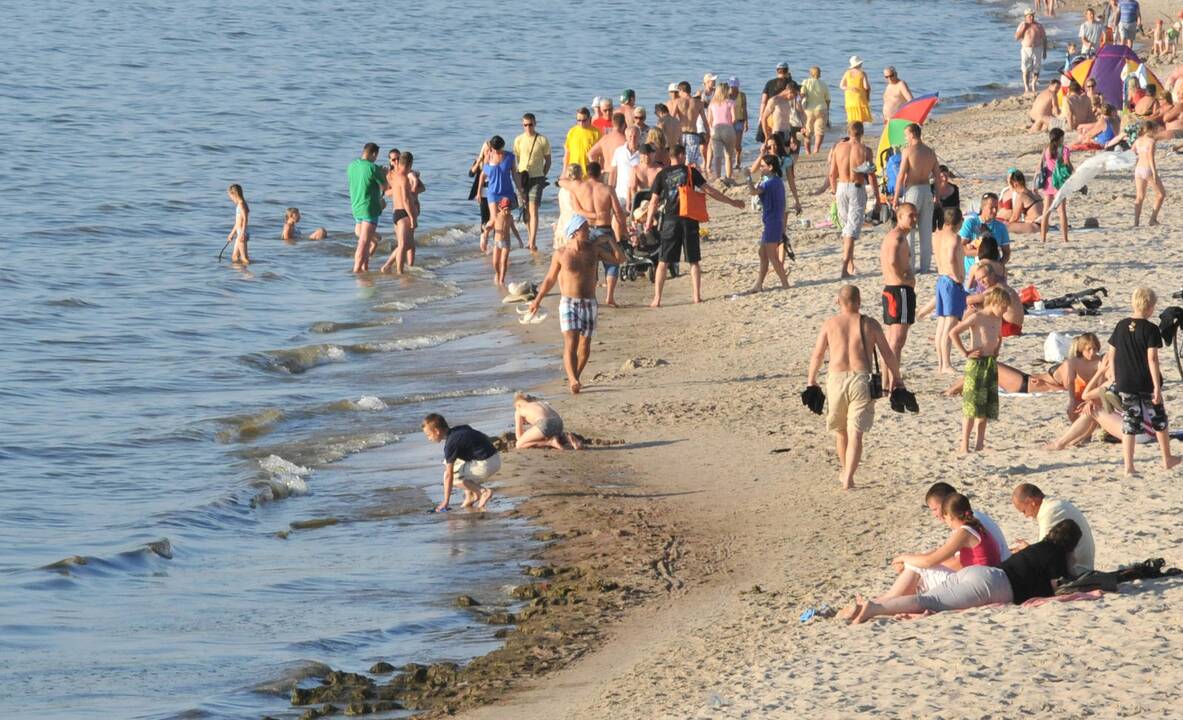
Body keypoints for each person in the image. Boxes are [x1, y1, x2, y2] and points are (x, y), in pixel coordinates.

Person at [846, 519, 1083, 623]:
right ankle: (875, 608)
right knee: (928, 601)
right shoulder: (1057, 557)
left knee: (929, 598)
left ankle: (870, 605)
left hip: (980, 573)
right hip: (995, 587)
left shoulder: (1039, 547)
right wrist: (1070, 564)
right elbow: (1059, 589)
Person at [839, 492, 1000, 618]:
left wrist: (904, 557)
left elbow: (931, 560)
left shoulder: (964, 532)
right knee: (918, 568)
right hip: (980, 581)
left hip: (975, 585)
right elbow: (942, 556)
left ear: (949, 516)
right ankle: (882, 601)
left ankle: (879, 603)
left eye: (944, 518)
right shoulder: (976, 528)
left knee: (916, 567)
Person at [806, 285, 904, 489]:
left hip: (836, 379)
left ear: (837, 302)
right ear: (859, 301)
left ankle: (845, 472)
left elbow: (817, 355)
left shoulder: (830, 324)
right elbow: (888, 354)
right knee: (856, 432)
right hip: (862, 379)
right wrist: (897, 378)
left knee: (840, 431)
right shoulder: (870, 324)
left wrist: (811, 380)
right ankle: (848, 477)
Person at [527, 215, 625, 393]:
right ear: (575, 232)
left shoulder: (594, 250)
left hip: (589, 302)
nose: (589, 232)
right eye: (586, 229)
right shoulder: (561, 254)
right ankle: (572, 379)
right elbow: (549, 279)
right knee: (570, 343)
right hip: (568, 303)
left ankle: (575, 378)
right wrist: (537, 300)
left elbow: (619, 259)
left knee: (585, 345)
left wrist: (611, 240)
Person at [643, 144, 745, 307]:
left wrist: (648, 222)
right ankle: (696, 296)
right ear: (682, 155)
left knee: (663, 261)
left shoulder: (662, 174)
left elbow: (654, 201)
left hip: (670, 221)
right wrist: (732, 202)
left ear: (671, 157)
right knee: (693, 260)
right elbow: (710, 191)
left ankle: (657, 299)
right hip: (689, 219)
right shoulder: (690, 171)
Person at [1108, 287, 1180, 474]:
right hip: (1145, 381)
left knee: (1130, 423)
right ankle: (1167, 458)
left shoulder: (1121, 325)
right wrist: (1157, 386)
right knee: (1159, 419)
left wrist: (1113, 375)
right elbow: (1152, 359)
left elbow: (1111, 353)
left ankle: (1129, 466)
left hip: (1125, 381)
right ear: (1151, 307)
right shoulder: (1151, 329)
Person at [950, 286, 1010, 454]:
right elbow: (954, 332)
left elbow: (998, 337)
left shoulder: (997, 319)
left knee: (984, 406)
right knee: (971, 405)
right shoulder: (977, 317)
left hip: (990, 363)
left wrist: (997, 348)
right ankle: (964, 444)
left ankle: (979, 443)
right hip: (976, 364)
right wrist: (965, 352)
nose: (1005, 311)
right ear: (995, 302)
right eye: (1003, 307)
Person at [565, 161, 627, 307]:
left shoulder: (578, 189)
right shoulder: (608, 189)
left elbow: (577, 209)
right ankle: (610, 297)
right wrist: (623, 230)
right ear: (600, 174)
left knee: (589, 264)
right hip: (604, 229)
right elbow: (618, 212)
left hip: (585, 231)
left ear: (587, 173)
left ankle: (590, 295)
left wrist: (590, 214)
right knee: (612, 263)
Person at [828, 122, 877, 278]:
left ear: (848, 132)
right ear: (862, 132)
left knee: (847, 228)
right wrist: (876, 195)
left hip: (841, 187)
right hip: (856, 187)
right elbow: (871, 174)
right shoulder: (865, 150)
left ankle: (850, 264)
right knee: (851, 229)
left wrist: (834, 191)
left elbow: (831, 174)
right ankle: (844, 268)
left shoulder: (838, 148)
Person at [1011, 484, 1095, 574]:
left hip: (1077, 571)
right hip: (1079, 565)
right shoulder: (1052, 504)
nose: (1026, 516)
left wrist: (1026, 550)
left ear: (1031, 502)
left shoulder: (1050, 512)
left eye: (1024, 511)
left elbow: (1044, 557)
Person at [891, 123, 941, 274]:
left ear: (913, 134)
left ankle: (911, 266)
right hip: (927, 190)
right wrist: (937, 196)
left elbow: (901, 176)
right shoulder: (930, 152)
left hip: (913, 190)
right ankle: (925, 267)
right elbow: (937, 177)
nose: (906, 137)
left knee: (909, 229)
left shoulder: (908, 151)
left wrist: (895, 198)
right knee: (926, 230)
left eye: (906, 134)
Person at [422, 413, 497, 512]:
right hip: (495, 457)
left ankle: (483, 492)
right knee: (451, 461)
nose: (428, 438)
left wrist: (445, 501)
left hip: (486, 465)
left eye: (428, 435)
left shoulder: (450, 444)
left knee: (449, 476)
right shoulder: (461, 429)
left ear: (436, 431)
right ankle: (470, 496)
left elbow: (449, 475)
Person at [925, 482, 1011, 560]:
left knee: (925, 568)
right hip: (1002, 565)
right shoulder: (971, 516)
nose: (934, 515)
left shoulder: (966, 524)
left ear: (947, 504)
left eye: (935, 509)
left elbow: (959, 563)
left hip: (998, 569)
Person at [743, 154, 791, 293]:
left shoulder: (769, 183)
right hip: (773, 221)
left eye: (763, 166)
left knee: (772, 256)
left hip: (772, 222)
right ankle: (759, 284)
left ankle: (785, 284)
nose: (760, 168)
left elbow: (753, 192)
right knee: (762, 253)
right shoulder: (777, 181)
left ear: (770, 167)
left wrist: (747, 177)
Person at [483, 136, 523, 286]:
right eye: (495, 149)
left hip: (506, 192)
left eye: (498, 149)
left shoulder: (510, 157)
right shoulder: (489, 156)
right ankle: (486, 235)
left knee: (506, 219)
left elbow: (515, 175)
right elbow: (484, 174)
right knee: (494, 219)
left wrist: (520, 191)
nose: (497, 152)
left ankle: (502, 242)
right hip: (493, 192)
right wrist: (477, 193)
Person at [880, 202, 917, 361]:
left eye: (916, 215)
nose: (914, 219)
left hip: (892, 289)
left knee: (891, 340)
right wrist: (904, 280)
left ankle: (888, 382)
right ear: (899, 217)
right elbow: (892, 260)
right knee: (897, 340)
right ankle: (893, 382)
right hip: (899, 291)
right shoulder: (898, 237)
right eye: (911, 215)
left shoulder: (896, 236)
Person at [934, 206, 967, 374]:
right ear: (959, 222)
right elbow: (951, 258)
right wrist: (957, 276)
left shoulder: (937, 235)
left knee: (941, 323)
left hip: (941, 279)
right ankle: (946, 364)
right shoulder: (954, 238)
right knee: (949, 323)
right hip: (951, 281)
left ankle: (941, 363)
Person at [513, 113, 553, 252]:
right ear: (522, 125)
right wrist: (518, 176)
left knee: (533, 208)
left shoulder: (542, 140)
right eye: (525, 125)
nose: (528, 127)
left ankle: (533, 242)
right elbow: (517, 160)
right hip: (522, 179)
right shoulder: (518, 140)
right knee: (525, 211)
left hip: (537, 177)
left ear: (535, 123)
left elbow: (548, 160)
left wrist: (543, 174)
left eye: (530, 124)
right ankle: (530, 238)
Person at [347, 143, 386, 273]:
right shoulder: (373, 168)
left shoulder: (352, 166)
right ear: (374, 154)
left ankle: (365, 267)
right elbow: (385, 187)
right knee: (363, 242)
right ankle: (356, 269)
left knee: (365, 239)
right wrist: (383, 173)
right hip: (369, 208)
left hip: (356, 206)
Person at [380, 152, 418, 274]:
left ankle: (393, 266)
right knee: (403, 245)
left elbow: (388, 192)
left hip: (396, 212)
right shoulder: (403, 179)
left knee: (410, 244)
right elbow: (406, 200)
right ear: (410, 164)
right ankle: (398, 271)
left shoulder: (394, 176)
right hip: (403, 213)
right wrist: (412, 217)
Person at [1038, 128, 1073, 243]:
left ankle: (1043, 239)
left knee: (1046, 212)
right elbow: (1067, 164)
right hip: (1059, 183)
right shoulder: (1064, 150)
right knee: (1062, 212)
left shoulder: (1046, 149)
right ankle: (1065, 239)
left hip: (1048, 183)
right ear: (1060, 138)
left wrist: (1035, 181)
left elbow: (1040, 165)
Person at [512, 392, 583, 450]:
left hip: (545, 423)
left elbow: (519, 437)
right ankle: (567, 438)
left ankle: (550, 442)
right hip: (558, 422)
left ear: (518, 405)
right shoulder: (539, 403)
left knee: (519, 444)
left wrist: (525, 435)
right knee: (546, 433)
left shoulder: (519, 410)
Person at [959, 193, 1012, 265]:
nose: (994, 211)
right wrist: (985, 253)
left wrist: (999, 265)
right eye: (991, 207)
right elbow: (961, 248)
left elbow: (1006, 252)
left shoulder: (1001, 227)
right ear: (983, 207)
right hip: (971, 271)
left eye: (996, 208)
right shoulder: (970, 223)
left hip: (992, 272)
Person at [1134, 120, 1167, 226]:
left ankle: (1136, 222)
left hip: (1138, 169)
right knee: (1160, 194)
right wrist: (1154, 172)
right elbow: (1150, 157)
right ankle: (1153, 219)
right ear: (1152, 130)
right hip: (1147, 168)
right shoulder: (1151, 142)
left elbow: (1132, 152)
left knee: (1139, 197)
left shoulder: (1138, 140)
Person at [670, 81, 709, 167]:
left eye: (678, 91)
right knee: (692, 163)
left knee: (679, 160)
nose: (678, 93)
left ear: (681, 90)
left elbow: (672, 119)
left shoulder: (677, 102)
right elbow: (705, 121)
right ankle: (691, 179)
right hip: (693, 135)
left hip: (680, 134)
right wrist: (708, 134)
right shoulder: (699, 103)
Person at [707, 84, 737, 181]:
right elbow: (734, 118)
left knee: (717, 156)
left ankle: (718, 177)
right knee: (728, 155)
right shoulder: (731, 102)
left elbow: (709, 121)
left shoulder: (712, 104)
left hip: (715, 129)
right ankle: (728, 177)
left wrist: (711, 130)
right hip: (727, 128)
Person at [1000, 169, 1044, 234]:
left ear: (1015, 184)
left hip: (1034, 225)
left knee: (1004, 227)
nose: (1009, 186)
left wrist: (1007, 222)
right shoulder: (1034, 193)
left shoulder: (1021, 196)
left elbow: (1015, 218)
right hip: (1044, 224)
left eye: (1010, 183)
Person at [1016, 9, 1049, 95]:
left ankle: (1033, 84)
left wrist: (1045, 51)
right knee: (1025, 69)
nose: (1031, 17)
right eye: (1029, 16)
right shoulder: (1022, 25)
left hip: (1037, 48)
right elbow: (1016, 37)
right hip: (1026, 49)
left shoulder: (1038, 25)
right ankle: (1026, 87)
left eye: (1032, 15)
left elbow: (1044, 39)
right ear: (1026, 17)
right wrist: (1023, 28)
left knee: (1036, 69)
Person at [800, 66, 831, 154]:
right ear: (820, 74)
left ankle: (807, 151)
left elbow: (802, 94)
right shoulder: (823, 84)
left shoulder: (806, 82)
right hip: (821, 109)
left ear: (810, 73)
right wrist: (827, 110)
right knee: (820, 131)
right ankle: (816, 149)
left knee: (807, 131)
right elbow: (828, 99)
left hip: (808, 110)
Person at [759, 63, 791, 143]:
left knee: (770, 141)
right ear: (787, 71)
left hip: (770, 115)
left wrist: (761, 116)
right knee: (784, 143)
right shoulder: (791, 83)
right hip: (786, 117)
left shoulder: (769, 83)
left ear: (777, 71)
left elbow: (763, 101)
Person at [563, 107, 601, 175]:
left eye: (584, 120)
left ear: (590, 119)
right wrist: (564, 172)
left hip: (589, 173)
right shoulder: (572, 131)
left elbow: (601, 155)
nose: (581, 123)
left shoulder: (596, 133)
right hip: (573, 173)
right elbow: (567, 153)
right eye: (579, 120)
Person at [840, 56, 871, 124]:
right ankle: (860, 132)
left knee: (851, 119)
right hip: (859, 98)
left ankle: (851, 132)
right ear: (859, 64)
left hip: (849, 99)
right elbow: (866, 87)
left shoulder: (847, 73)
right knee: (860, 119)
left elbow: (841, 86)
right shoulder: (862, 73)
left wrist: (849, 88)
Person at [226, 184, 250, 265]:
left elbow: (245, 219)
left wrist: (242, 233)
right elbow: (237, 222)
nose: (231, 198)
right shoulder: (240, 204)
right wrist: (232, 234)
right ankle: (240, 275)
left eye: (230, 196)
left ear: (234, 194)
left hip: (242, 233)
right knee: (235, 257)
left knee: (244, 258)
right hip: (240, 232)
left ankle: (250, 276)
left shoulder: (241, 204)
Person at [728, 78, 749, 170]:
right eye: (732, 86)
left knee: (737, 144)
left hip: (739, 121)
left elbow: (744, 109)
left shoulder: (742, 95)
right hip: (729, 122)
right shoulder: (726, 95)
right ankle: (730, 161)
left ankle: (737, 161)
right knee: (729, 143)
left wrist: (746, 122)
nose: (733, 88)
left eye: (735, 86)